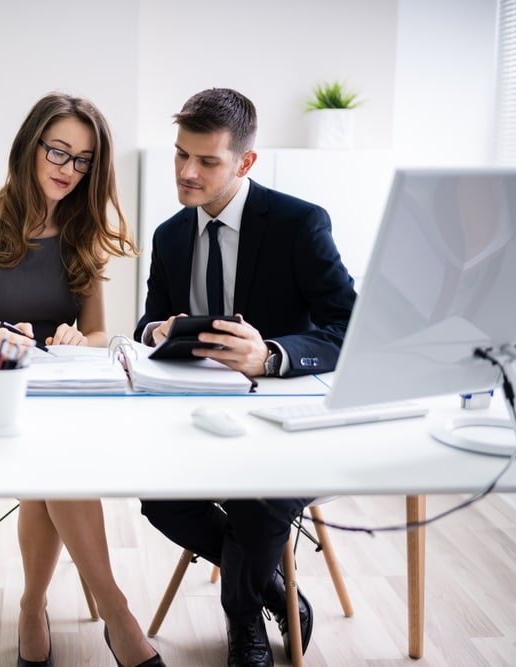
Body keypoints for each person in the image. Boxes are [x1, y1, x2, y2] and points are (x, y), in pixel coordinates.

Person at [0, 92, 163, 667]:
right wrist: (2, 341)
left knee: (56, 456)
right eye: (58, 151)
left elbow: (96, 334)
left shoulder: (81, 230)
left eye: (84, 160)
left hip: (58, 397)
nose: (69, 169)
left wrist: (69, 340)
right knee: (57, 459)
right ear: (29, 146)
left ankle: (33, 607)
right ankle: (118, 616)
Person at [134, 88, 357, 667]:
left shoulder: (299, 223)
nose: (186, 172)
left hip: (289, 420)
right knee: (158, 499)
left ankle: (241, 620)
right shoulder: (170, 235)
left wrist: (274, 354)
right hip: (199, 415)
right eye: (181, 155)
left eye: (207, 161)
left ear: (245, 162)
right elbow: (145, 323)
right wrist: (158, 331)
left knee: (260, 498)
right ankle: (278, 592)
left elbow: (350, 325)